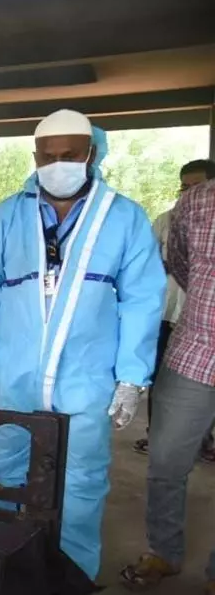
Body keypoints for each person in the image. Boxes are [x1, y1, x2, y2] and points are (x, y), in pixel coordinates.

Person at [0, 109, 165, 582]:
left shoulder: (124, 218)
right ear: (35, 156)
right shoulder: (11, 214)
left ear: (90, 153)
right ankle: (1, 568)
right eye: (48, 156)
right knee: (2, 472)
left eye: (70, 155)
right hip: (12, 374)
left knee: (80, 483)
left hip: (85, 379)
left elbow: (143, 301)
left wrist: (132, 376)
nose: (58, 164)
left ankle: (70, 577)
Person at [118, 176, 215, 592]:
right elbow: (180, 263)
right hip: (197, 351)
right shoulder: (197, 202)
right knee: (166, 462)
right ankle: (164, 551)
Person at [132, 158, 215, 458]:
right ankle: (157, 435)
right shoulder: (166, 220)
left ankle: (204, 441)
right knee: (163, 380)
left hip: (200, 318)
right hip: (169, 314)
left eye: (197, 186)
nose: (189, 192)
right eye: (185, 187)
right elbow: (159, 263)